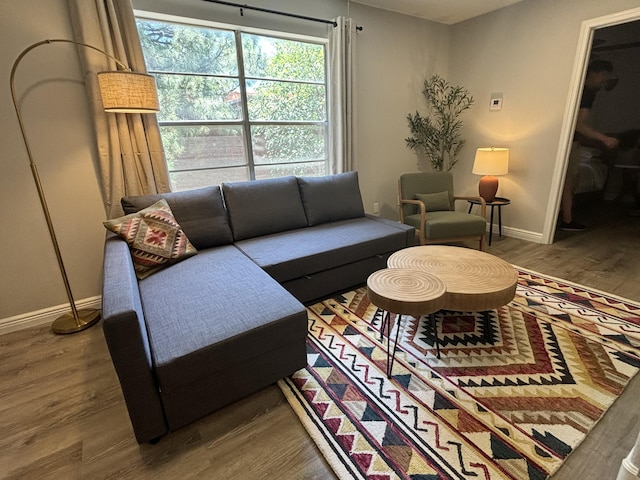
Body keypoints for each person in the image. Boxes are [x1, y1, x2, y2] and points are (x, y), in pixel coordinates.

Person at [559, 59, 620, 231]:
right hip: (569, 143)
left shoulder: (584, 91)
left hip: (572, 142)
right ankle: (567, 221)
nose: (604, 81)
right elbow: (577, 124)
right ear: (595, 73)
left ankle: (567, 219)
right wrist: (604, 139)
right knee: (568, 182)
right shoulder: (585, 92)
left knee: (568, 182)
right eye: (603, 76)